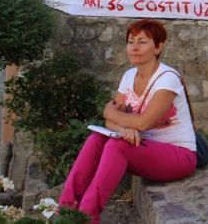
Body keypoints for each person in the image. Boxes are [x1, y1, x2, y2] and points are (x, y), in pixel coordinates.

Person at [59, 19, 195, 224]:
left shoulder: (168, 79)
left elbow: (142, 123)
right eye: (131, 41)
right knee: (97, 139)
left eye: (142, 42)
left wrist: (111, 113)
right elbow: (108, 123)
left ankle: (87, 217)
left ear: (158, 47)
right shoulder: (129, 76)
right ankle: (65, 208)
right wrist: (121, 126)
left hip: (178, 154)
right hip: (143, 148)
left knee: (118, 145)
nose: (134, 47)